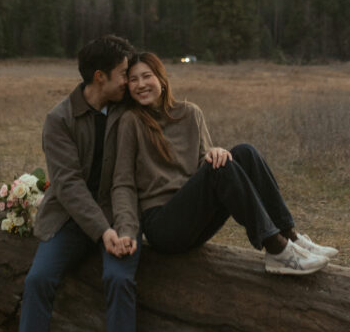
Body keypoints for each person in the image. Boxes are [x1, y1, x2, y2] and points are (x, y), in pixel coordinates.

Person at [0, 35, 140, 332]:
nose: (128, 82)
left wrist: (121, 230)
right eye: (122, 75)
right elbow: (69, 186)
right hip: (72, 219)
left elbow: (129, 181)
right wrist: (102, 231)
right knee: (38, 280)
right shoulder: (59, 119)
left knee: (118, 278)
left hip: (122, 217)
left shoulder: (126, 111)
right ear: (100, 77)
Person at [112, 52, 338, 275]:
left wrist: (215, 151)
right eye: (133, 79)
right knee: (220, 168)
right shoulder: (130, 121)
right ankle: (277, 249)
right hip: (163, 226)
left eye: (146, 76)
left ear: (161, 79)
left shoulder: (190, 113)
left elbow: (204, 162)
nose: (140, 84)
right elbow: (122, 182)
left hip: (195, 218)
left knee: (244, 152)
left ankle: (290, 236)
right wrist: (125, 230)